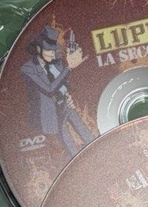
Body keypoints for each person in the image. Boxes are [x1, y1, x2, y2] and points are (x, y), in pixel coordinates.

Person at [20, 25, 95, 156]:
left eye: (54, 50)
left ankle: (101, 155)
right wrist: (69, 68)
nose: (52, 53)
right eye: (48, 50)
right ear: (38, 48)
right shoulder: (28, 68)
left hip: (65, 105)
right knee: (70, 148)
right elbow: (49, 89)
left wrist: (66, 94)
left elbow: (63, 82)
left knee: (87, 135)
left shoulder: (56, 60)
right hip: (52, 113)